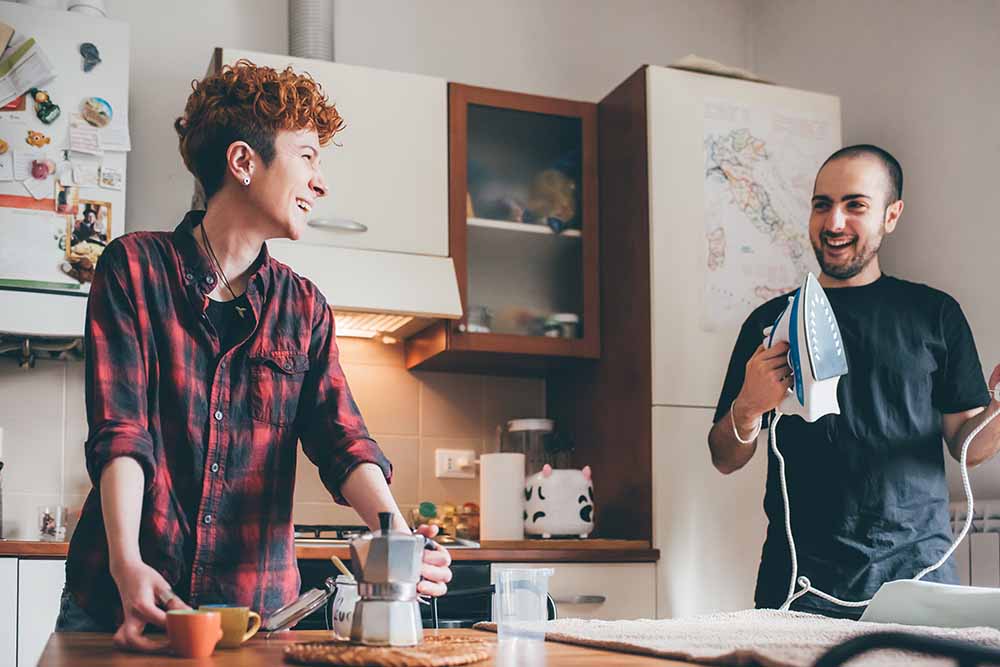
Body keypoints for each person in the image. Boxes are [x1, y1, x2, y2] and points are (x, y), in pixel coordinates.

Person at [57, 60, 452, 651]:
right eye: (308, 156)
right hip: (123, 599)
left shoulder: (304, 308)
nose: (320, 182)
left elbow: (344, 442)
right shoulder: (134, 268)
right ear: (243, 162)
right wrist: (126, 562)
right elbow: (122, 431)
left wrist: (399, 542)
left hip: (255, 619)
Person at [708, 144, 1000, 620]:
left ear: (891, 215)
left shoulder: (936, 314)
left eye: (855, 205)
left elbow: (969, 446)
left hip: (918, 578)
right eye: (822, 204)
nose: (835, 222)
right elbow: (724, 457)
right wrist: (747, 408)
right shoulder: (771, 321)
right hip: (798, 584)